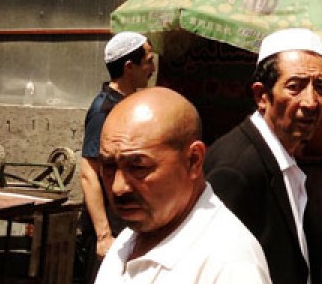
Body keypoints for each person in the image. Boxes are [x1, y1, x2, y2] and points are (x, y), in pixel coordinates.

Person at [94, 87, 271, 283]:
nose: (119, 187)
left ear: (193, 161)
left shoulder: (230, 263)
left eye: (138, 167)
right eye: (109, 166)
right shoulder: (128, 241)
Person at [204, 28, 322, 284]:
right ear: (262, 96)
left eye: (320, 87)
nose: (311, 102)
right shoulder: (235, 170)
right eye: (295, 87)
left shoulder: (283, 157)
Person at [78, 32, 156, 283]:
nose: (152, 69)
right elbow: (89, 172)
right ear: (129, 67)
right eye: (148, 61)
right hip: (109, 228)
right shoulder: (103, 110)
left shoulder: (130, 105)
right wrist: (103, 236)